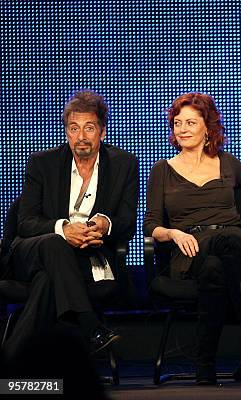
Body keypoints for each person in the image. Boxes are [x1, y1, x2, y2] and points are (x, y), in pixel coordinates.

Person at [143, 92, 241, 385]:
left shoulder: (227, 163)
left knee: (216, 266)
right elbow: (151, 225)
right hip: (189, 248)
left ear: (207, 127)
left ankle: (204, 365)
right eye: (177, 123)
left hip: (232, 248)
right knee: (218, 252)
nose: (182, 128)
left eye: (190, 122)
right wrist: (173, 232)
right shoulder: (162, 169)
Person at [3, 90, 138, 360]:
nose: (81, 136)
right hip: (32, 252)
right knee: (55, 243)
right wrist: (63, 229)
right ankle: (91, 326)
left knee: (46, 282)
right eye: (74, 128)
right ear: (66, 131)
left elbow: (127, 223)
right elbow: (26, 222)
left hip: (84, 258)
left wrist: (104, 224)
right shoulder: (42, 164)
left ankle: (11, 365)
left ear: (102, 131)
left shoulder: (124, 164)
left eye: (89, 128)